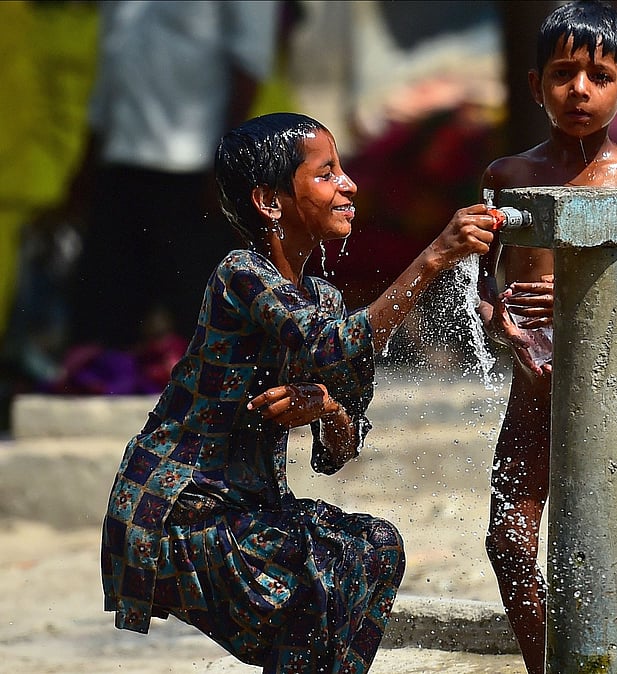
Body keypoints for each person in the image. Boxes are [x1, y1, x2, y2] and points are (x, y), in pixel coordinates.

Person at [100, 112, 498, 673]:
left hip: (250, 510)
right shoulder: (240, 274)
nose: (349, 185)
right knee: (313, 584)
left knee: (375, 548)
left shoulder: (326, 298)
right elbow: (329, 346)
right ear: (270, 202)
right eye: (327, 173)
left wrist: (328, 408)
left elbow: (340, 447)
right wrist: (433, 257)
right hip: (178, 512)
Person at [475, 3, 617, 672]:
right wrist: (497, 320)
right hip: (531, 383)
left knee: (590, 539)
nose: (580, 91)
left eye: (599, 76)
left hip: (599, 385)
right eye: (564, 74)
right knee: (508, 544)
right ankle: (548, 665)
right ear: (536, 84)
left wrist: (577, 302)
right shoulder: (507, 178)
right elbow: (482, 282)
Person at [62, 2, 280, 390]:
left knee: (202, 318)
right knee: (101, 322)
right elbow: (112, 66)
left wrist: (225, 164)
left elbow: (250, 63)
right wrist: (87, 163)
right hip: (121, 162)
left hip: (191, 169)